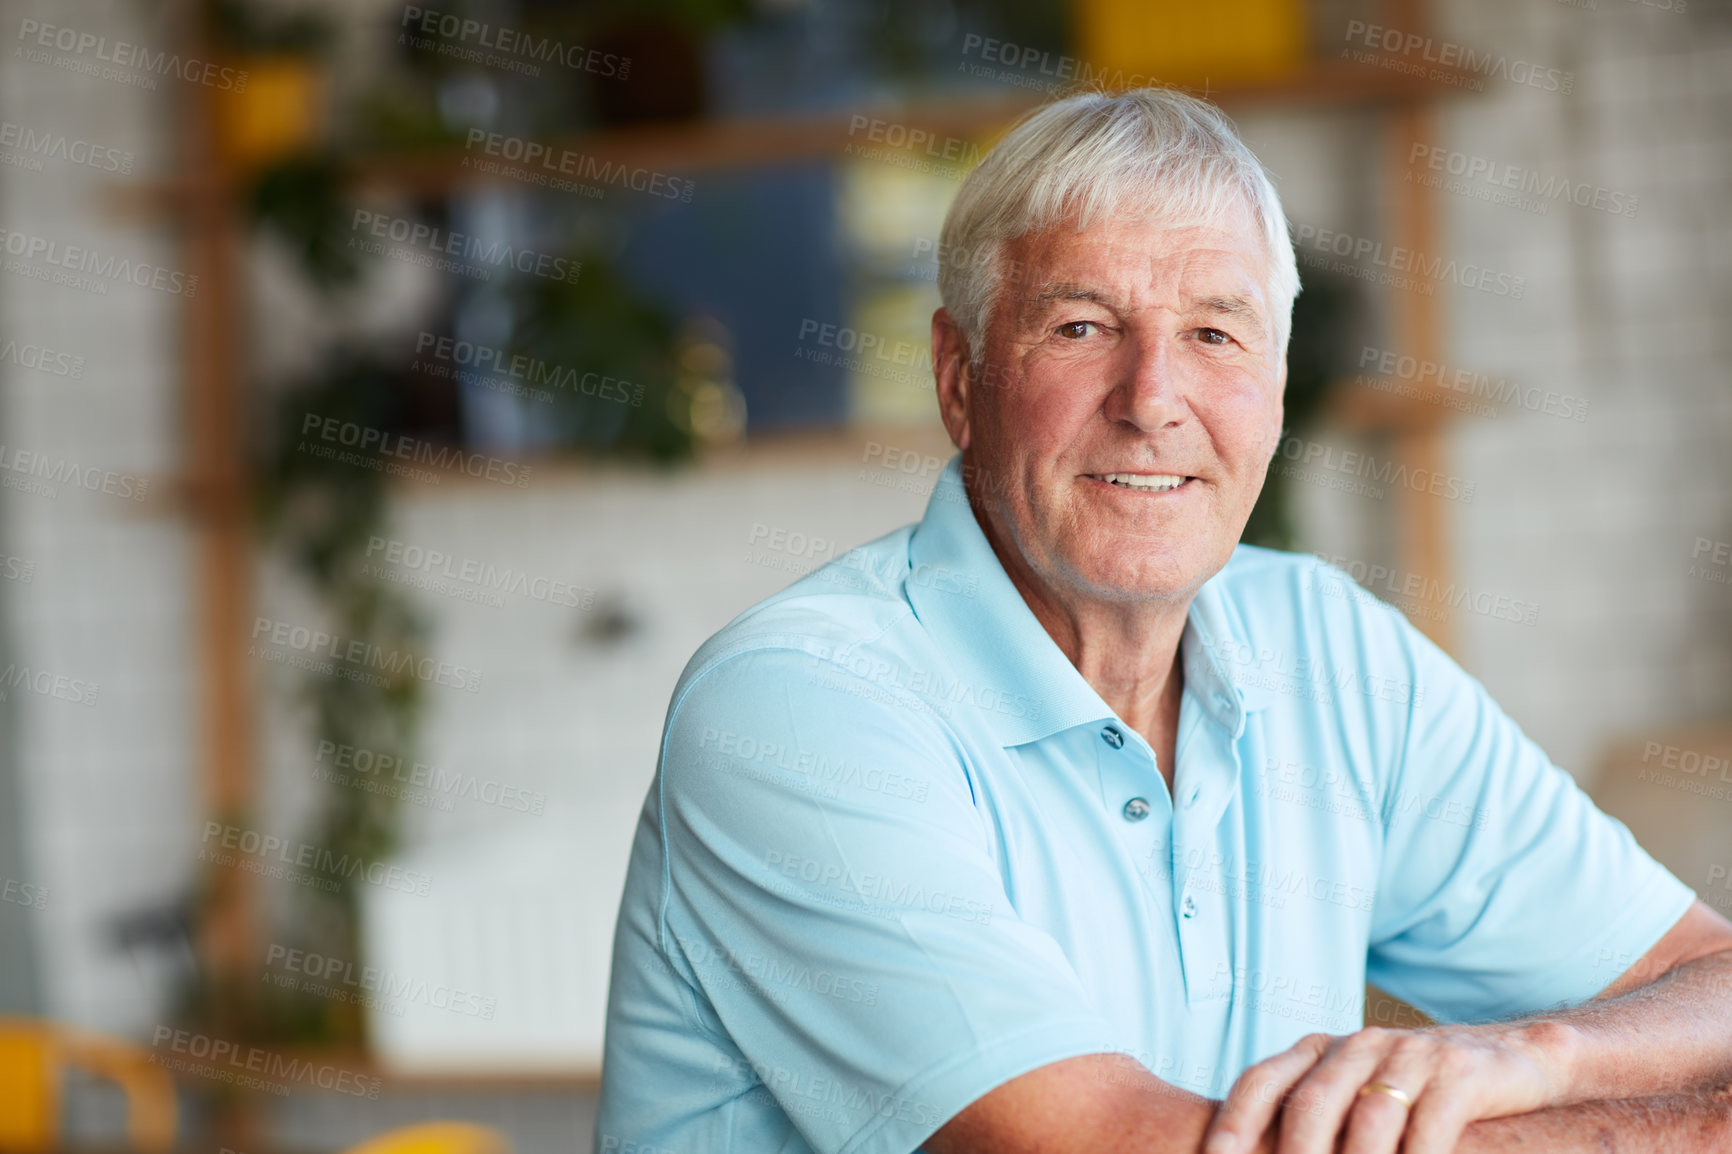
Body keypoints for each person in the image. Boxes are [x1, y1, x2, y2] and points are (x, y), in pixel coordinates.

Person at [594, 87, 1732, 1154]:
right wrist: (1667, 1127)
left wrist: (1538, 1051)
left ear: (1275, 392)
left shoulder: (1327, 648)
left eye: (1216, 334)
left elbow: (1708, 982)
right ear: (958, 377)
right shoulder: (798, 704)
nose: (1151, 400)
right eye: (1082, 326)